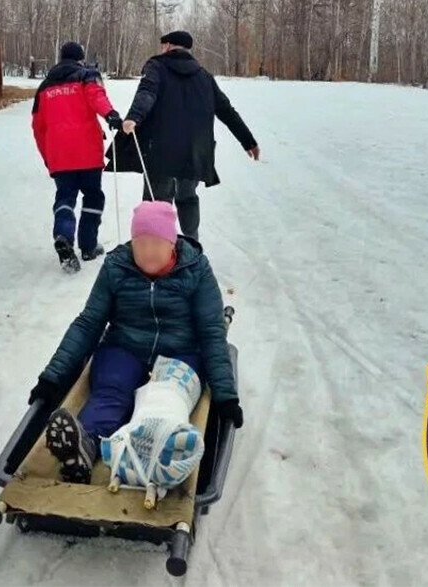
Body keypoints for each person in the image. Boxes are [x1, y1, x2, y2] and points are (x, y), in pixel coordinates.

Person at [27, 201, 245, 484]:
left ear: (172, 244)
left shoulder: (196, 270)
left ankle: (154, 447)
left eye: (156, 243)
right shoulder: (117, 266)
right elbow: (89, 322)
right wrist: (53, 376)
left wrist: (225, 395)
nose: (148, 252)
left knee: (166, 397)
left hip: (181, 352)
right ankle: (85, 444)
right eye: (140, 243)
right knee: (111, 392)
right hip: (125, 347)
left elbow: (212, 332)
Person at [109, 31, 260, 242]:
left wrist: (134, 116)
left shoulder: (157, 67)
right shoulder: (204, 76)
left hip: (161, 151)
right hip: (195, 152)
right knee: (187, 198)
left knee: (157, 204)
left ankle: (155, 251)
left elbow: (147, 91)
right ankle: (192, 245)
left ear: (168, 46)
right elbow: (226, 110)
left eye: (163, 45)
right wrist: (248, 141)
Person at [32, 42, 124, 273]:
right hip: (87, 153)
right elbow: (97, 97)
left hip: (59, 155)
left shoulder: (44, 87)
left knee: (65, 196)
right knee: (93, 196)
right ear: (80, 59)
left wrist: (47, 157)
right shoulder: (86, 76)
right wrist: (110, 115)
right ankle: (88, 246)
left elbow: (37, 127)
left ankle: (63, 233)